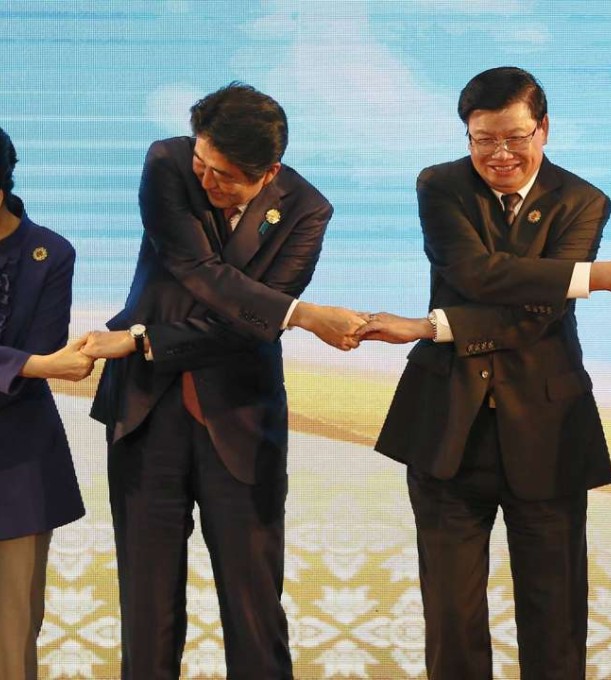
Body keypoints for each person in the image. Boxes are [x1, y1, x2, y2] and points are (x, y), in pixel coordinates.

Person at [357, 66, 611, 679]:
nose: (500, 155)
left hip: (548, 426)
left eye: (515, 137)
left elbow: (537, 312)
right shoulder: (440, 186)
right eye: (483, 139)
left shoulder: (583, 200)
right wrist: (597, 278)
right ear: (466, 136)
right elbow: (475, 275)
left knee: (555, 621)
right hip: (447, 428)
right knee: (451, 620)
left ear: (543, 129)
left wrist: (430, 326)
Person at [85, 83, 364, 679]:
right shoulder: (166, 163)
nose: (208, 182)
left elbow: (246, 328)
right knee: (147, 606)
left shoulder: (308, 210)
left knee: (254, 604)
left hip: (242, 416)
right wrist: (300, 315)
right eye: (203, 165)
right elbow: (197, 269)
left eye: (227, 177)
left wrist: (143, 338)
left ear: (270, 173)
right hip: (146, 411)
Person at [0, 126, 93, 680]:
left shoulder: (49, 252)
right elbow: (42, 363)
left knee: (12, 633)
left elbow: (42, 348)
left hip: (17, 463)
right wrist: (33, 365)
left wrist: (29, 364)